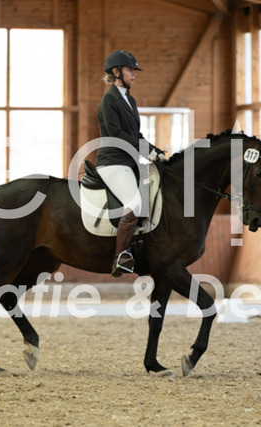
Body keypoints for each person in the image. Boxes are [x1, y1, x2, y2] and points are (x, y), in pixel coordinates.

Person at [96, 50, 165, 277]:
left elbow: (136, 134)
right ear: (116, 72)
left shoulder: (130, 100)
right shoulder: (109, 100)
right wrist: (145, 150)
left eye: (135, 71)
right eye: (130, 70)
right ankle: (121, 256)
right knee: (134, 204)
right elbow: (116, 133)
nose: (134, 74)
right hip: (113, 162)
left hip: (130, 161)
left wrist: (155, 150)